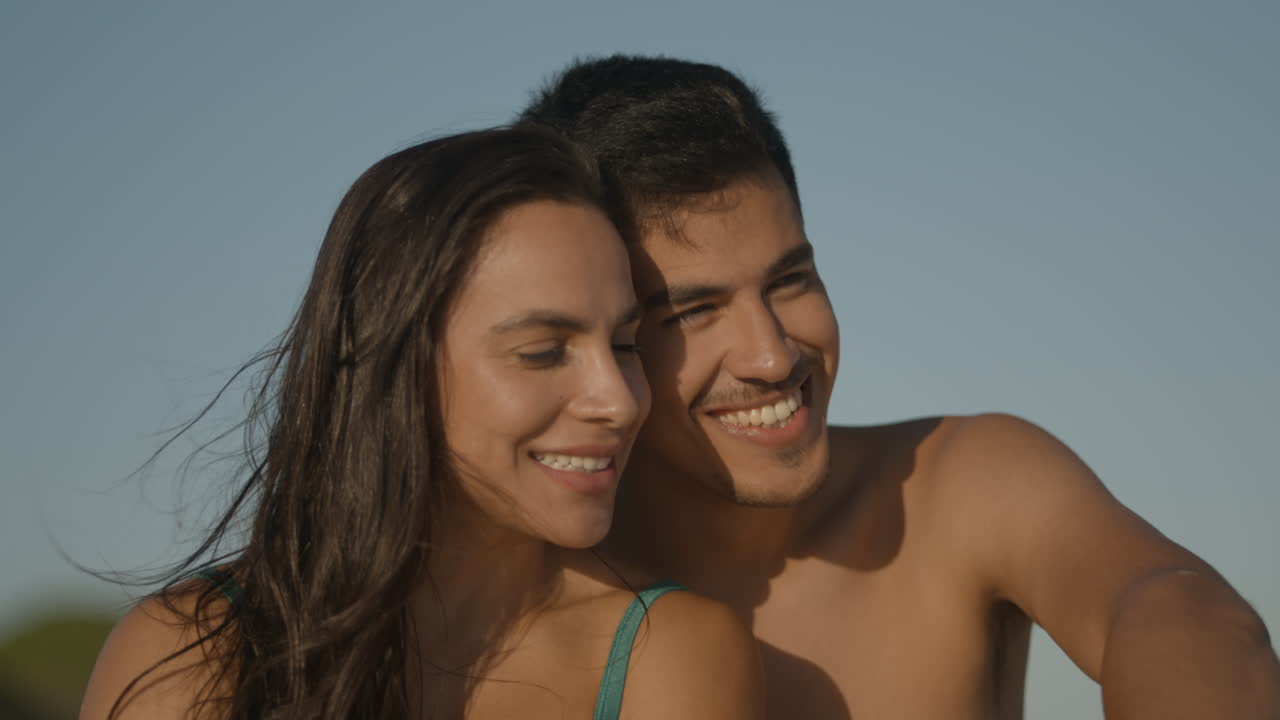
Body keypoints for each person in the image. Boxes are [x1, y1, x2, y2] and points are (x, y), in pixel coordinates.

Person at [518, 55, 1280, 719]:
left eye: (790, 280)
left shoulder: (958, 487)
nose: (772, 357)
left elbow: (1170, 599)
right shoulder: (521, 590)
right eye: (693, 312)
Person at [79, 127, 764, 720]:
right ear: (392, 364)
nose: (619, 400)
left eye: (624, 344)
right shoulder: (192, 652)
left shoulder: (668, 652)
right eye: (541, 352)